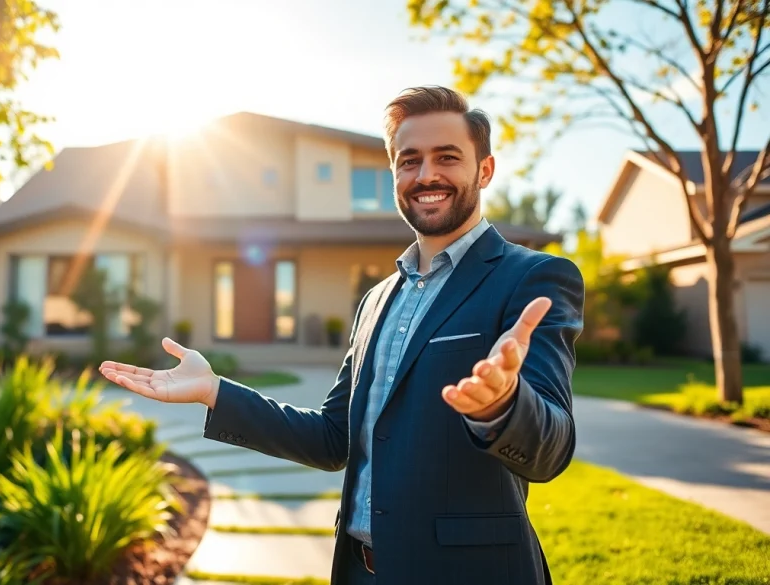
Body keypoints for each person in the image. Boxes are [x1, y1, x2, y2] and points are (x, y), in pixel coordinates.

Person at [100, 85, 585, 585]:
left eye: (447, 157)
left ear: (484, 169)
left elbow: (551, 449)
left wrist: (502, 405)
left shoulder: (534, 279)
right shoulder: (377, 300)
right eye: (408, 160)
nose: (426, 175)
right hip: (359, 571)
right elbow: (333, 438)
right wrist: (215, 391)